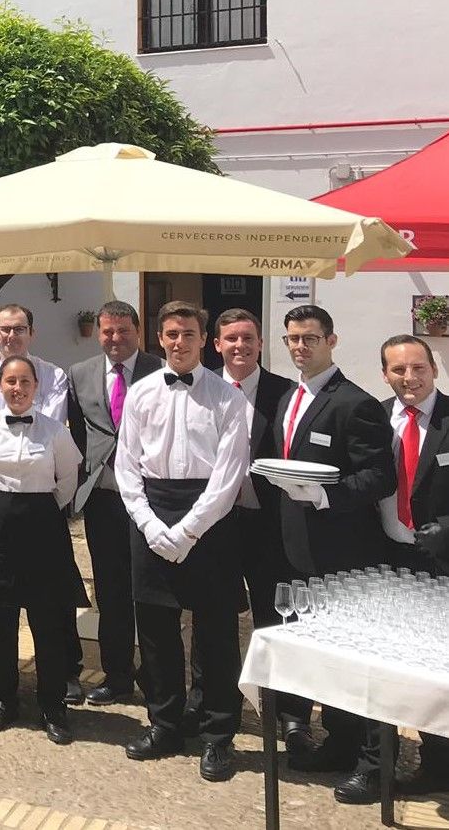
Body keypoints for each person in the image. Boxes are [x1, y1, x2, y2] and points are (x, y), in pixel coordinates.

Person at [115, 301, 248, 784]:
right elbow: (126, 464)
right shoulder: (142, 392)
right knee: (155, 631)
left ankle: (218, 736)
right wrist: (151, 526)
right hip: (151, 511)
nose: (179, 342)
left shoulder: (228, 397)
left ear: (204, 338)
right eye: (171, 334)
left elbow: (229, 475)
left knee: (215, 635)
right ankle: (165, 725)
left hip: (208, 519)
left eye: (188, 334)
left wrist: (189, 529)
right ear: (160, 338)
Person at [271, 306, 396, 803]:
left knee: (359, 659)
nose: (300, 347)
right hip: (299, 551)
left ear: (332, 340)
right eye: (293, 339)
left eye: (310, 339)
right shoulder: (289, 396)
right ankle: (340, 744)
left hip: (345, 553)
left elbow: (379, 477)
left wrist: (326, 495)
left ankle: (371, 762)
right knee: (329, 658)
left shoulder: (355, 403)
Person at [189, 308, 296, 738]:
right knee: (209, 618)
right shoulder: (202, 389)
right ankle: (207, 700)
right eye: (230, 338)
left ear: (260, 343)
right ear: (216, 344)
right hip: (215, 524)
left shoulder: (285, 393)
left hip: (266, 525)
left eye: (248, 338)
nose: (239, 346)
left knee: (276, 620)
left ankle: (288, 713)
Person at [0, 356, 84, 744]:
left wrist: (41, 508)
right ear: (0, 385)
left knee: (47, 620)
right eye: (10, 381)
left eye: (25, 382)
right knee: (0, 617)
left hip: (42, 528)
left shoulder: (55, 431)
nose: (17, 389)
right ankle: (3, 699)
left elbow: (67, 479)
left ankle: (53, 705)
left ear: (36, 387)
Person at [65, 300, 161, 705]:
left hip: (153, 500)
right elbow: (76, 432)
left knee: (153, 593)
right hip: (104, 498)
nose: (115, 338)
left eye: (123, 331)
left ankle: (156, 678)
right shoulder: (80, 374)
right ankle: (117, 674)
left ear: (137, 332)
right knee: (111, 590)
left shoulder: (161, 371)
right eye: (107, 331)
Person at [378, 333, 449, 795]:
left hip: (443, 564)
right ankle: (406, 760)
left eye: (417, 368)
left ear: (434, 370)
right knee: (399, 666)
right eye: (398, 369)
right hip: (387, 562)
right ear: (385, 373)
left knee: (441, 669)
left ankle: (442, 764)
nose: (409, 378)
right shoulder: (374, 418)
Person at [0, 304, 69, 422]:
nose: (12, 336)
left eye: (19, 329)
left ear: (31, 333)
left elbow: (52, 426)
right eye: (5, 329)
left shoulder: (53, 376)